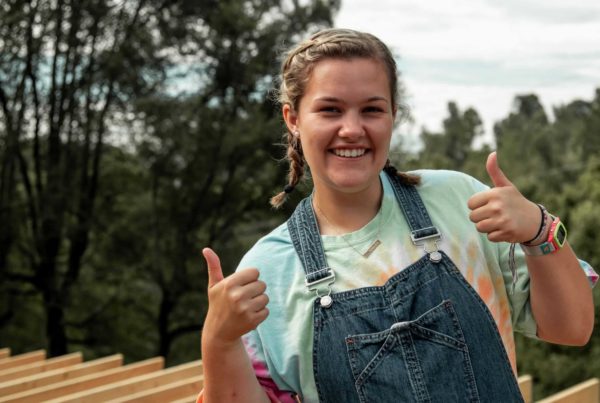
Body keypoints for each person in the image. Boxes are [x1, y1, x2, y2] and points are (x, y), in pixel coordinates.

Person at [199, 28, 597, 403]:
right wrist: (219, 341)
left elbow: (572, 328)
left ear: (393, 115)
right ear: (293, 119)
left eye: (372, 109)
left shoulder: (460, 202)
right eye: (330, 110)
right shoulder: (268, 270)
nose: (352, 129)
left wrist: (541, 231)